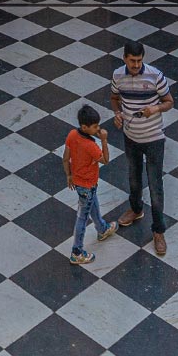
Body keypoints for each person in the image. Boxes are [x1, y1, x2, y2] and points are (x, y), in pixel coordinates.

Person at [109, 39, 175, 257]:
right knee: (134, 177)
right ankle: (136, 209)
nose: (136, 65)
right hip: (130, 137)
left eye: (139, 61)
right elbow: (114, 97)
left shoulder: (155, 75)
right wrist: (117, 114)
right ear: (124, 59)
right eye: (132, 61)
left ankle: (158, 230)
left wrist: (155, 108)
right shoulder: (118, 75)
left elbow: (169, 101)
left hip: (154, 138)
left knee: (155, 185)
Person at [62, 103, 116, 265]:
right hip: (87, 185)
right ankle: (76, 251)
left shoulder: (72, 135)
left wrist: (69, 175)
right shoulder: (91, 145)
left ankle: (102, 229)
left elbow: (65, 158)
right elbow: (105, 160)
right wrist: (104, 140)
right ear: (84, 127)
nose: (97, 129)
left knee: (93, 204)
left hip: (79, 182)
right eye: (94, 127)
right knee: (82, 218)